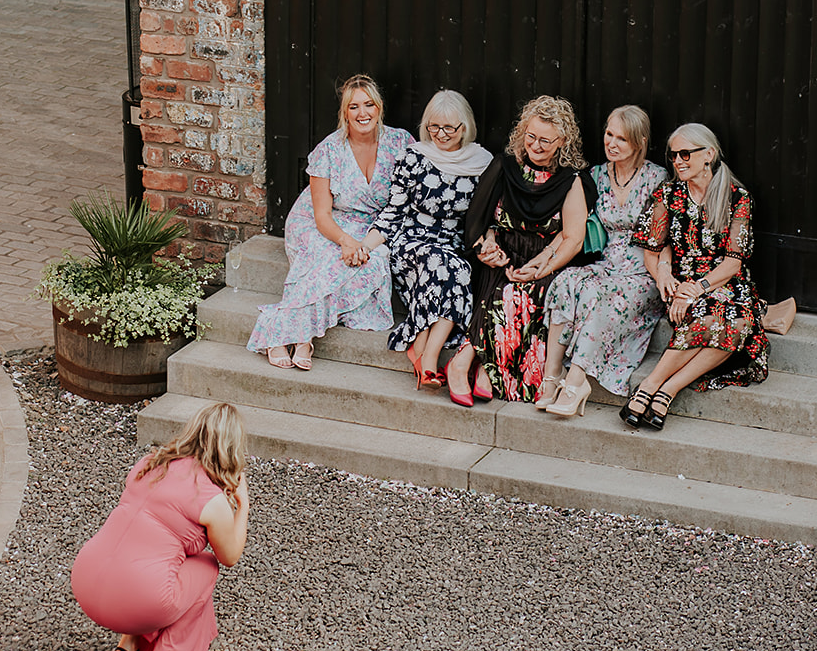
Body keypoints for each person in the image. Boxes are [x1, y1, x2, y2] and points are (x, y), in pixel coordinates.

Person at [71, 400, 249, 651]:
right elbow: (230, 556)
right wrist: (242, 505)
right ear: (232, 450)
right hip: (141, 600)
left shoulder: (148, 463)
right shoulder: (211, 498)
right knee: (206, 566)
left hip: (85, 582)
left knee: (152, 558)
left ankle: (128, 646)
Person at [247, 75, 411, 370]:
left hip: (374, 225)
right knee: (329, 257)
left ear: (380, 107)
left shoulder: (400, 142)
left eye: (369, 105)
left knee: (371, 262)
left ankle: (297, 331)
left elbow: (406, 201)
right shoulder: (329, 150)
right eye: (354, 107)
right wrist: (346, 241)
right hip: (322, 220)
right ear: (344, 113)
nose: (363, 113)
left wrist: (362, 242)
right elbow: (321, 215)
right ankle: (293, 336)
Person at [444, 96, 596, 406]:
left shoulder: (572, 179)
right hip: (502, 251)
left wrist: (543, 268)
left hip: (547, 258)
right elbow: (477, 219)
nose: (536, 146)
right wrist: (485, 248)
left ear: (562, 141)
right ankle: (468, 366)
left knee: (527, 293)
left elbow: (573, 238)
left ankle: (483, 366)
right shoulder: (504, 165)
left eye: (545, 140)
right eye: (530, 136)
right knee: (500, 287)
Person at [622, 122, 769, 429]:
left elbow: (733, 264)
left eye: (686, 153)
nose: (678, 161)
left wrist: (695, 289)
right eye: (673, 155)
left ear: (709, 155)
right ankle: (656, 390)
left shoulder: (736, 197)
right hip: (680, 281)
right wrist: (664, 276)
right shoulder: (668, 194)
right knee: (712, 319)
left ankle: (659, 388)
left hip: (724, 282)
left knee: (737, 321)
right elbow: (652, 249)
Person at [537, 106, 666, 417]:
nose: (612, 143)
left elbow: (662, 239)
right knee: (567, 281)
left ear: (639, 142)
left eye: (622, 138)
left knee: (600, 295)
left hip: (641, 271)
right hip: (605, 263)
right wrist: (545, 258)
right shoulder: (594, 175)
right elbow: (574, 227)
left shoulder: (657, 178)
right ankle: (551, 376)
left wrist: (665, 274)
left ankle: (577, 380)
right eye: (609, 134)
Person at [362, 90, 492, 386]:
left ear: (465, 127)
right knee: (450, 268)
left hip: (453, 245)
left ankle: (420, 348)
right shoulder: (414, 157)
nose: (441, 134)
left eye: (449, 128)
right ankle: (430, 357)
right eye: (434, 127)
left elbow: (488, 216)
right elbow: (394, 210)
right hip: (412, 244)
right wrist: (366, 245)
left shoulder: (482, 163)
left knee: (453, 267)